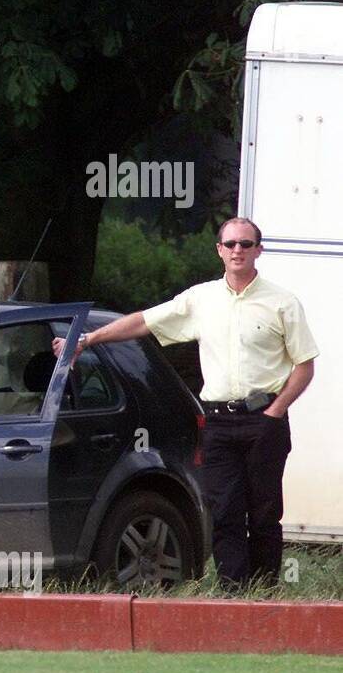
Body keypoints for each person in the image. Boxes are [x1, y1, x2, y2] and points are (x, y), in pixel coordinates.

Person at [54, 217, 317, 588]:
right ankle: (233, 591)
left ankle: (264, 590)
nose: (238, 250)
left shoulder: (282, 303)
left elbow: (304, 367)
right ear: (219, 251)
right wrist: (86, 340)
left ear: (259, 249)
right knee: (225, 511)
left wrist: (275, 412)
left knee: (264, 513)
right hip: (219, 422)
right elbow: (144, 322)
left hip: (265, 418)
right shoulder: (202, 299)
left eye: (246, 244)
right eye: (230, 244)